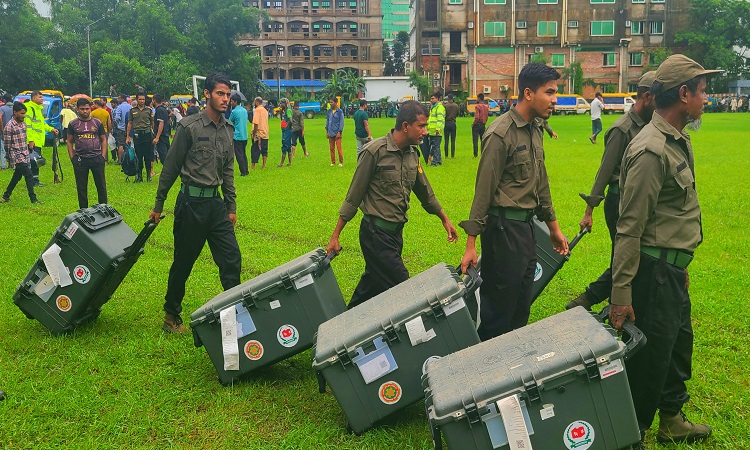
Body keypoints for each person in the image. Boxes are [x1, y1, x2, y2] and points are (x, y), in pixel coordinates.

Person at [609, 54, 718, 449]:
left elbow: (672, 214)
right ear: (683, 94)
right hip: (652, 274)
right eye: (703, 90)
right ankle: (629, 436)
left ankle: (671, 418)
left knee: (676, 348)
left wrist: (680, 262)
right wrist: (621, 295)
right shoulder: (651, 150)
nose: (707, 97)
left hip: (670, 269)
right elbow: (629, 228)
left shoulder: (677, 139)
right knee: (649, 364)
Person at [460, 63, 569, 341]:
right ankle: (485, 371)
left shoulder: (535, 128)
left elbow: (540, 181)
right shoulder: (500, 133)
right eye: (550, 92)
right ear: (529, 93)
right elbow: (483, 191)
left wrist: (553, 227)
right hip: (502, 230)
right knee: (499, 310)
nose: (555, 99)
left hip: (526, 230)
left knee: (521, 306)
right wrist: (471, 245)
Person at [325, 100, 459, 309]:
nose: (425, 132)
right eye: (421, 126)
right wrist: (335, 236)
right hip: (375, 234)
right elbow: (354, 195)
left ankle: (341, 328)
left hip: (395, 235)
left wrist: (445, 220)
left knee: (372, 286)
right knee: (405, 289)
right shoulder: (374, 152)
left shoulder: (413, 154)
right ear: (406, 126)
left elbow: (426, 193)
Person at [148, 72, 241, 334]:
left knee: (231, 259)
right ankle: (171, 315)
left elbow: (228, 172)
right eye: (220, 94)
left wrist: (231, 207)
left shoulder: (228, 129)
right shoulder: (189, 127)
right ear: (207, 95)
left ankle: (234, 312)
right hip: (191, 205)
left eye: (227, 95)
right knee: (184, 262)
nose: (225, 99)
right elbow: (170, 168)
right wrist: (158, 205)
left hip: (216, 207)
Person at [567, 71, 657, 311]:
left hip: (638, 200)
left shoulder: (652, 127)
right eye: (660, 99)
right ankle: (588, 300)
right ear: (647, 97)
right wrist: (589, 211)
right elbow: (604, 172)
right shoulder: (622, 129)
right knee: (624, 258)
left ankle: (601, 300)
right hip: (619, 200)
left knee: (630, 256)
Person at [67, 98, 108, 209]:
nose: (85, 111)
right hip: (80, 160)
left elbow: (103, 139)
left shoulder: (97, 123)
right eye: (82, 109)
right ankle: (83, 211)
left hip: (97, 158)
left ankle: (104, 209)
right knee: (81, 188)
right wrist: (72, 157)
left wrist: (103, 156)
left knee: (101, 187)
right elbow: (69, 141)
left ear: (90, 108)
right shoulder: (73, 124)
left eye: (87, 109)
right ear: (77, 109)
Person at [1, 102, 41, 204]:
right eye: (22, 113)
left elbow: (24, 139)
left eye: (24, 114)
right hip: (16, 155)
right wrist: (9, 157)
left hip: (25, 153)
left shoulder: (23, 124)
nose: (23, 116)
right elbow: (7, 145)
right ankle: (33, 198)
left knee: (17, 176)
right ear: (15, 112)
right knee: (29, 175)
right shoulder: (9, 126)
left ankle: (5, 196)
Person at [24, 90, 59, 185]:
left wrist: (51, 129)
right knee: (34, 162)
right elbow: (28, 126)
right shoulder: (30, 109)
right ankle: (33, 181)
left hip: (38, 141)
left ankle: (34, 180)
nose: (42, 99)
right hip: (33, 141)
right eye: (40, 97)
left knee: (36, 161)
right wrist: (30, 140)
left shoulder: (38, 109)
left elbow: (42, 124)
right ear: (34, 98)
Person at [126, 93, 154, 182]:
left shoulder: (149, 110)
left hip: (147, 135)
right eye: (140, 99)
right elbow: (129, 123)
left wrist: (154, 135)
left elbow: (152, 123)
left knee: (148, 156)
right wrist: (127, 137)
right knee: (138, 156)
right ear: (137, 100)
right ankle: (139, 176)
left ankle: (149, 176)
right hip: (137, 135)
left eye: (143, 99)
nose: (142, 101)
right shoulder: (132, 110)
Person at [228, 94, 249, 176]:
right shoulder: (244, 110)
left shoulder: (234, 111)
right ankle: (246, 170)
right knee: (243, 153)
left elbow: (229, 122)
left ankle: (243, 171)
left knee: (239, 154)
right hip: (244, 135)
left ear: (235, 101)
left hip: (237, 136)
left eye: (232, 101)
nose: (231, 103)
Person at [426, 91, 445, 166]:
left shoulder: (439, 107)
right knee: (435, 146)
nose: (431, 100)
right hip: (431, 131)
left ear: (437, 99)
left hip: (436, 131)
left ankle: (435, 162)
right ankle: (438, 161)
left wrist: (438, 129)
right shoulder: (433, 107)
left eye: (432, 98)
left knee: (436, 147)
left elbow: (440, 119)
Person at [152, 94, 171, 169]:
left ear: (154, 101)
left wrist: (157, 137)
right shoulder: (164, 109)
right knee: (168, 155)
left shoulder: (159, 110)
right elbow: (169, 121)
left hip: (161, 136)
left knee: (163, 157)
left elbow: (161, 123)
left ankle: (168, 171)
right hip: (166, 135)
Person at [112, 94, 132, 163]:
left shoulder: (119, 107)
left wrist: (117, 124)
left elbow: (117, 118)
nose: (118, 100)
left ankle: (120, 160)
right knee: (129, 144)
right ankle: (128, 159)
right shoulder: (130, 107)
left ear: (122, 99)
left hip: (121, 128)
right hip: (129, 128)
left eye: (119, 98)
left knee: (120, 144)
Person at [251, 96, 269, 169]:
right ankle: (263, 165)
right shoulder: (265, 110)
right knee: (264, 150)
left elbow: (256, 123)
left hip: (258, 133)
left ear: (257, 102)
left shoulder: (257, 110)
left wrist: (254, 133)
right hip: (265, 133)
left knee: (255, 149)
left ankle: (253, 166)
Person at [325, 97, 344, 167]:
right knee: (331, 148)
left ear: (336, 103)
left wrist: (340, 131)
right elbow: (327, 121)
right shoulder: (329, 111)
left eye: (332, 102)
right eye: (330, 102)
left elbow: (341, 122)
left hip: (337, 132)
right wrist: (326, 131)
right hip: (330, 132)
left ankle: (341, 161)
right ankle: (333, 162)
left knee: (339, 148)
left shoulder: (340, 112)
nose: (331, 103)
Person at [277, 98, 293, 167]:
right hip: (284, 130)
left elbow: (291, 120)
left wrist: (287, 126)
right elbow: (282, 119)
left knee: (285, 146)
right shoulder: (284, 111)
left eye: (281, 103)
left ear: (284, 104)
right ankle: (290, 162)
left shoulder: (288, 110)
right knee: (288, 146)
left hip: (287, 131)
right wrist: (281, 112)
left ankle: (281, 163)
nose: (280, 105)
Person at [472, 93, 489, 157]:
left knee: (475, 140)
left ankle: (475, 154)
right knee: (483, 140)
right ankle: (483, 154)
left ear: (479, 98)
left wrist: (473, 123)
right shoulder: (486, 107)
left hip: (477, 124)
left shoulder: (477, 106)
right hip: (483, 124)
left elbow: (477, 117)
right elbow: (487, 117)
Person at [0, 94, 14, 170]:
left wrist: (2, 129)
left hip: (5, 130)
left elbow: (0, 117)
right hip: (14, 131)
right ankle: (12, 164)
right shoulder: (15, 107)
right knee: (13, 148)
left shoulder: (2, 108)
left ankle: (3, 165)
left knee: (3, 148)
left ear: (4, 100)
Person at [443, 94, 459, 158]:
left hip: (447, 123)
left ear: (448, 98)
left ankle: (446, 155)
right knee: (453, 140)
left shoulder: (445, 106)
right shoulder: (456, 106)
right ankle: (452, 155)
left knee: (446, 140)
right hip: (453, 123)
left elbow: (444, 114)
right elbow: (457, 113)